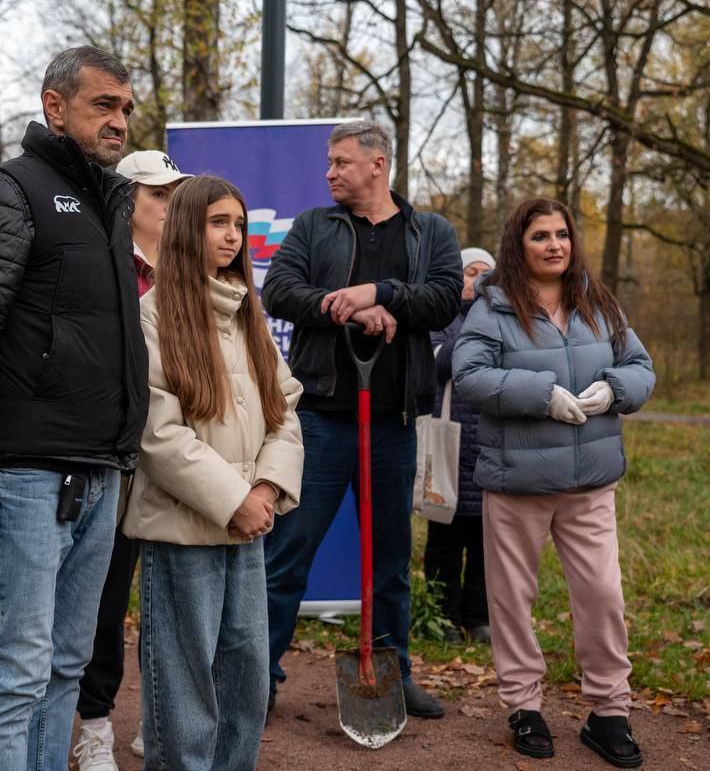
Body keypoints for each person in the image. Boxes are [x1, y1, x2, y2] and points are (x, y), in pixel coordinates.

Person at [0, 45, 149, 771]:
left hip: (99, 472)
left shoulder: (112, 204)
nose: (120, 121)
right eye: (103, 105)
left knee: (66, 667)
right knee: (17, 671)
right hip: (23, 477)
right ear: (55, 105)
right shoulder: (6, 192)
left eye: (126, 108)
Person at [262, 120, 462, 719]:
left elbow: (444, 297)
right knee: (288, 553)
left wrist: (382, 293)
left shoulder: (430, 233)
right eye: (329, 162)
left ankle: (391, 676)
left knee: (392, 562)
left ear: (378, 164)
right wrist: (341, 306)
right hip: (323, 418)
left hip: (394, 423)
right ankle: (259, 678)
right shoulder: (313, 227)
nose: (330, 173)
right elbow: (278, 291)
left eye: (342, 162)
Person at [452, 197, 654, 768]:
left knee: (602, 595)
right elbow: (469, 376)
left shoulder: (597, 300)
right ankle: (524, 707)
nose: (554, 245)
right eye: (540, 235)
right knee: (512, 599)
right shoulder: (492, 306)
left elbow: (641, 367)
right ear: (519, 244)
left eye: (561, 234)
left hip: (589, 480)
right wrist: (541, 395)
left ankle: (610, 711)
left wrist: (615, 389)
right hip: (517, 480)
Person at [124, 175, 304, 770]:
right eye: (217, 223)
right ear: (185, 230)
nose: (232, 236)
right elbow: (158, 433)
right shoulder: (151, 318)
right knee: (183, 685)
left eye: (238, 224)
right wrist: (233, 500)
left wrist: (266, 488)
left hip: (245, 523)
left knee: (246, 673)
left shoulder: (248, 313)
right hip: (184, 530)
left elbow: (284, 409)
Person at [73, 149, 191, 771]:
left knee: (170, 599)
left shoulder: (194, 273)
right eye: (159, 198)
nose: (172, 211)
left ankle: (159, 716)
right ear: (126, 203)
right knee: (107, 596)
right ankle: (93, 724)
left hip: (177, 461)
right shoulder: (103, 266)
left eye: (177, 198)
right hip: (115, 460)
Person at [424, 247, 495, 643]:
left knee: (486, 541)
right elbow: (438, 363)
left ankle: (478, 617)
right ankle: (443, 616)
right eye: (470, 272)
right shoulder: (438, 318)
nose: (477, 281)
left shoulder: (505, 321)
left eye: (486, 274)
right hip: (447, 444)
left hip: (488, 444)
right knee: (444, 542)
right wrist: (478, 328)